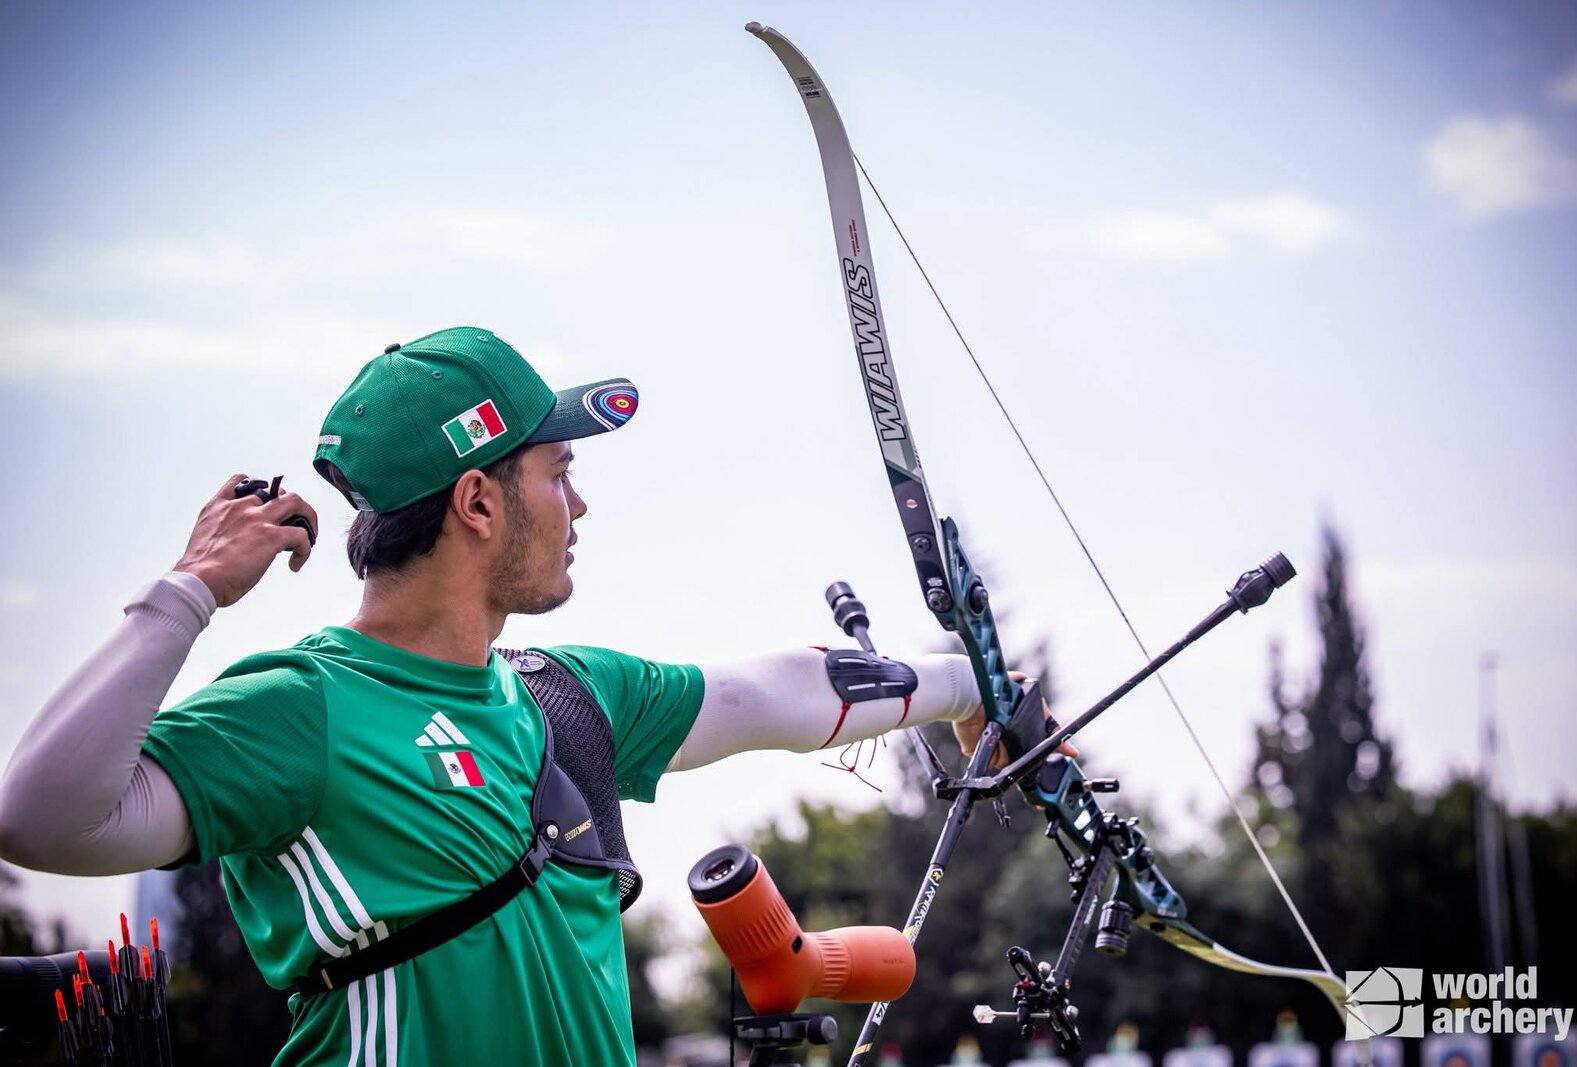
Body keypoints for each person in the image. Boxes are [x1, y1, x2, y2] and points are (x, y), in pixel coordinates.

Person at [0, 327, 1061, 1066]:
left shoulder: (565, 696)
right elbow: (40, 815)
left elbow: (766, 693)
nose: (579, 500)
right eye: (556, 471)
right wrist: (189, 592)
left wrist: (974, 684)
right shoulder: (304, 705)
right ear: (475, 499)